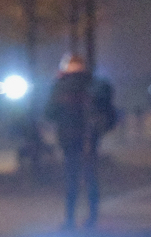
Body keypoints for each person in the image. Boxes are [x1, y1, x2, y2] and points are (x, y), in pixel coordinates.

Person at [45, 54, 116, 228]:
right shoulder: (96, 85)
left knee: (71, 177)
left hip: (68, 137)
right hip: (90, 136)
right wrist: (100, 130)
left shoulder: (59, 86)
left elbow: (50, 113)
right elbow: (109, 113)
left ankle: (70, 218)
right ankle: (92, 217)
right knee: (90, 177)